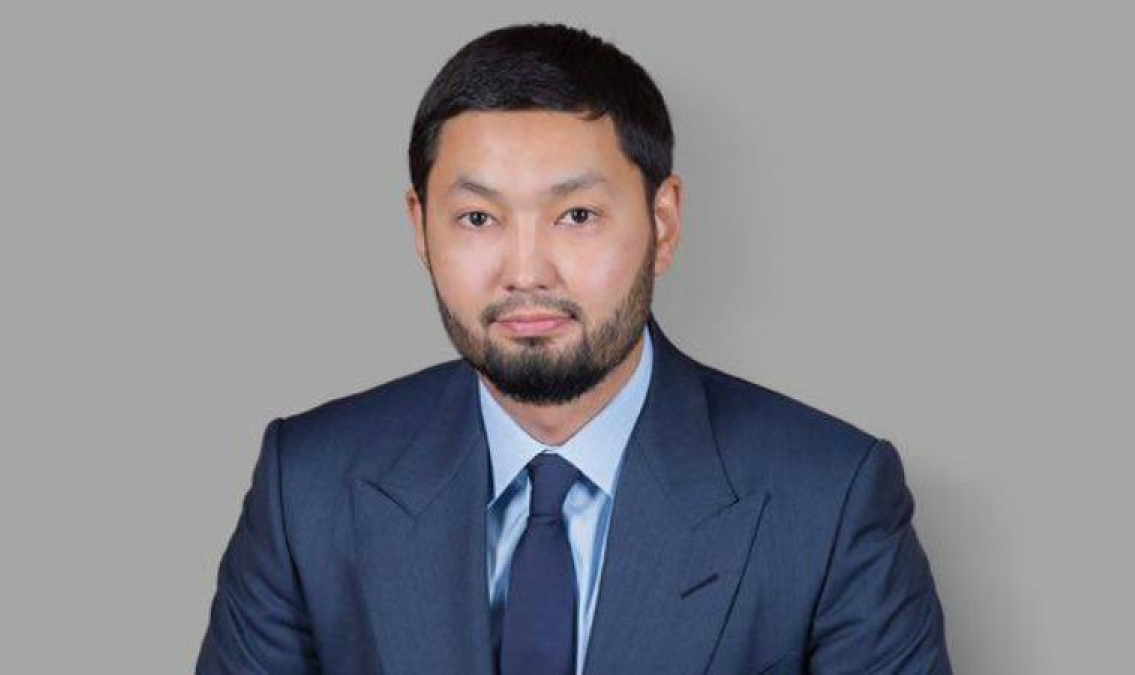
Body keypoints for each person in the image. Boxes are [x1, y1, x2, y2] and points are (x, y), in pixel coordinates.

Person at [195, 22, 951, 674]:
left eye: (578, 215)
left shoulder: (830, 499)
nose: (527, 272)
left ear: (663, 223)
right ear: (420, 228)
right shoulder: (308, 488)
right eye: (478, 219)